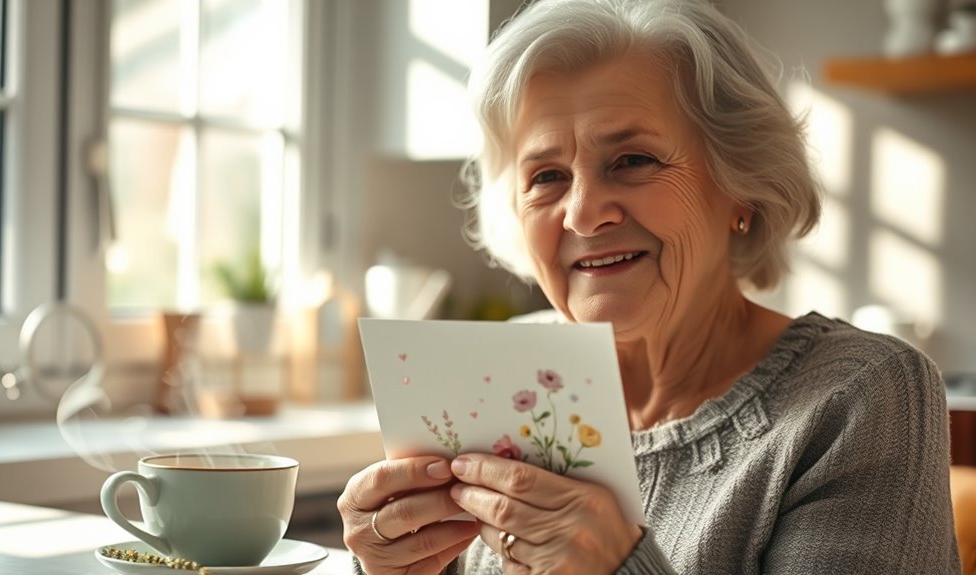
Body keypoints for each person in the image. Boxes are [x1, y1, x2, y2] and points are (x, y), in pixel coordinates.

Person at [337, 0, 961, 572]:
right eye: (547, 176)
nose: (582, 213)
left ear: (740, 184)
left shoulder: (861, 397)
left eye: (633, 160)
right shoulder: (509, 377)